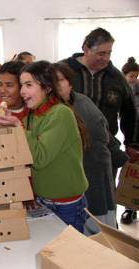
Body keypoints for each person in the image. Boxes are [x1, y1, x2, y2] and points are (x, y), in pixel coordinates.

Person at [0, 61, 88, 233]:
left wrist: (17, 127)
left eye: (29, 85)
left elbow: (39, 158)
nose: (22, 91)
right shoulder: (33, 115)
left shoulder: (60, 113)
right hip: (44, 200)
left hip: (66, 203)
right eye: (22, 85)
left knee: (69, 254)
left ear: (48, 87)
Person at [53, 63, 123, 234]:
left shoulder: (82, 103)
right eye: (50, 81)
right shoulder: (54, 109)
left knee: (100, 225)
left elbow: (103, 133)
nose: (55, 85)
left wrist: (119, 154)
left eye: (60, 80)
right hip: (75, 178)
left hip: (95, 170)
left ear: (70, 83)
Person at [62, 28, 139, 178]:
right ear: (85, 49)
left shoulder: (116, 78)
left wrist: (132, 143)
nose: (105, 58)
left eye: (109, 53)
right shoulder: (62, 71)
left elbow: (129, 112)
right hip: (67, 147)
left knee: (104, 195)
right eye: (101, 53)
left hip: (105, 148)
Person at [120, 57, 139, 224]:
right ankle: (129, 209)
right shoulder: (123, 91)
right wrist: (129, 142)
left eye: (136, 76)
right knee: (132, 176)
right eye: (131, 76)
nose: (134, 79)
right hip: (134, 140)